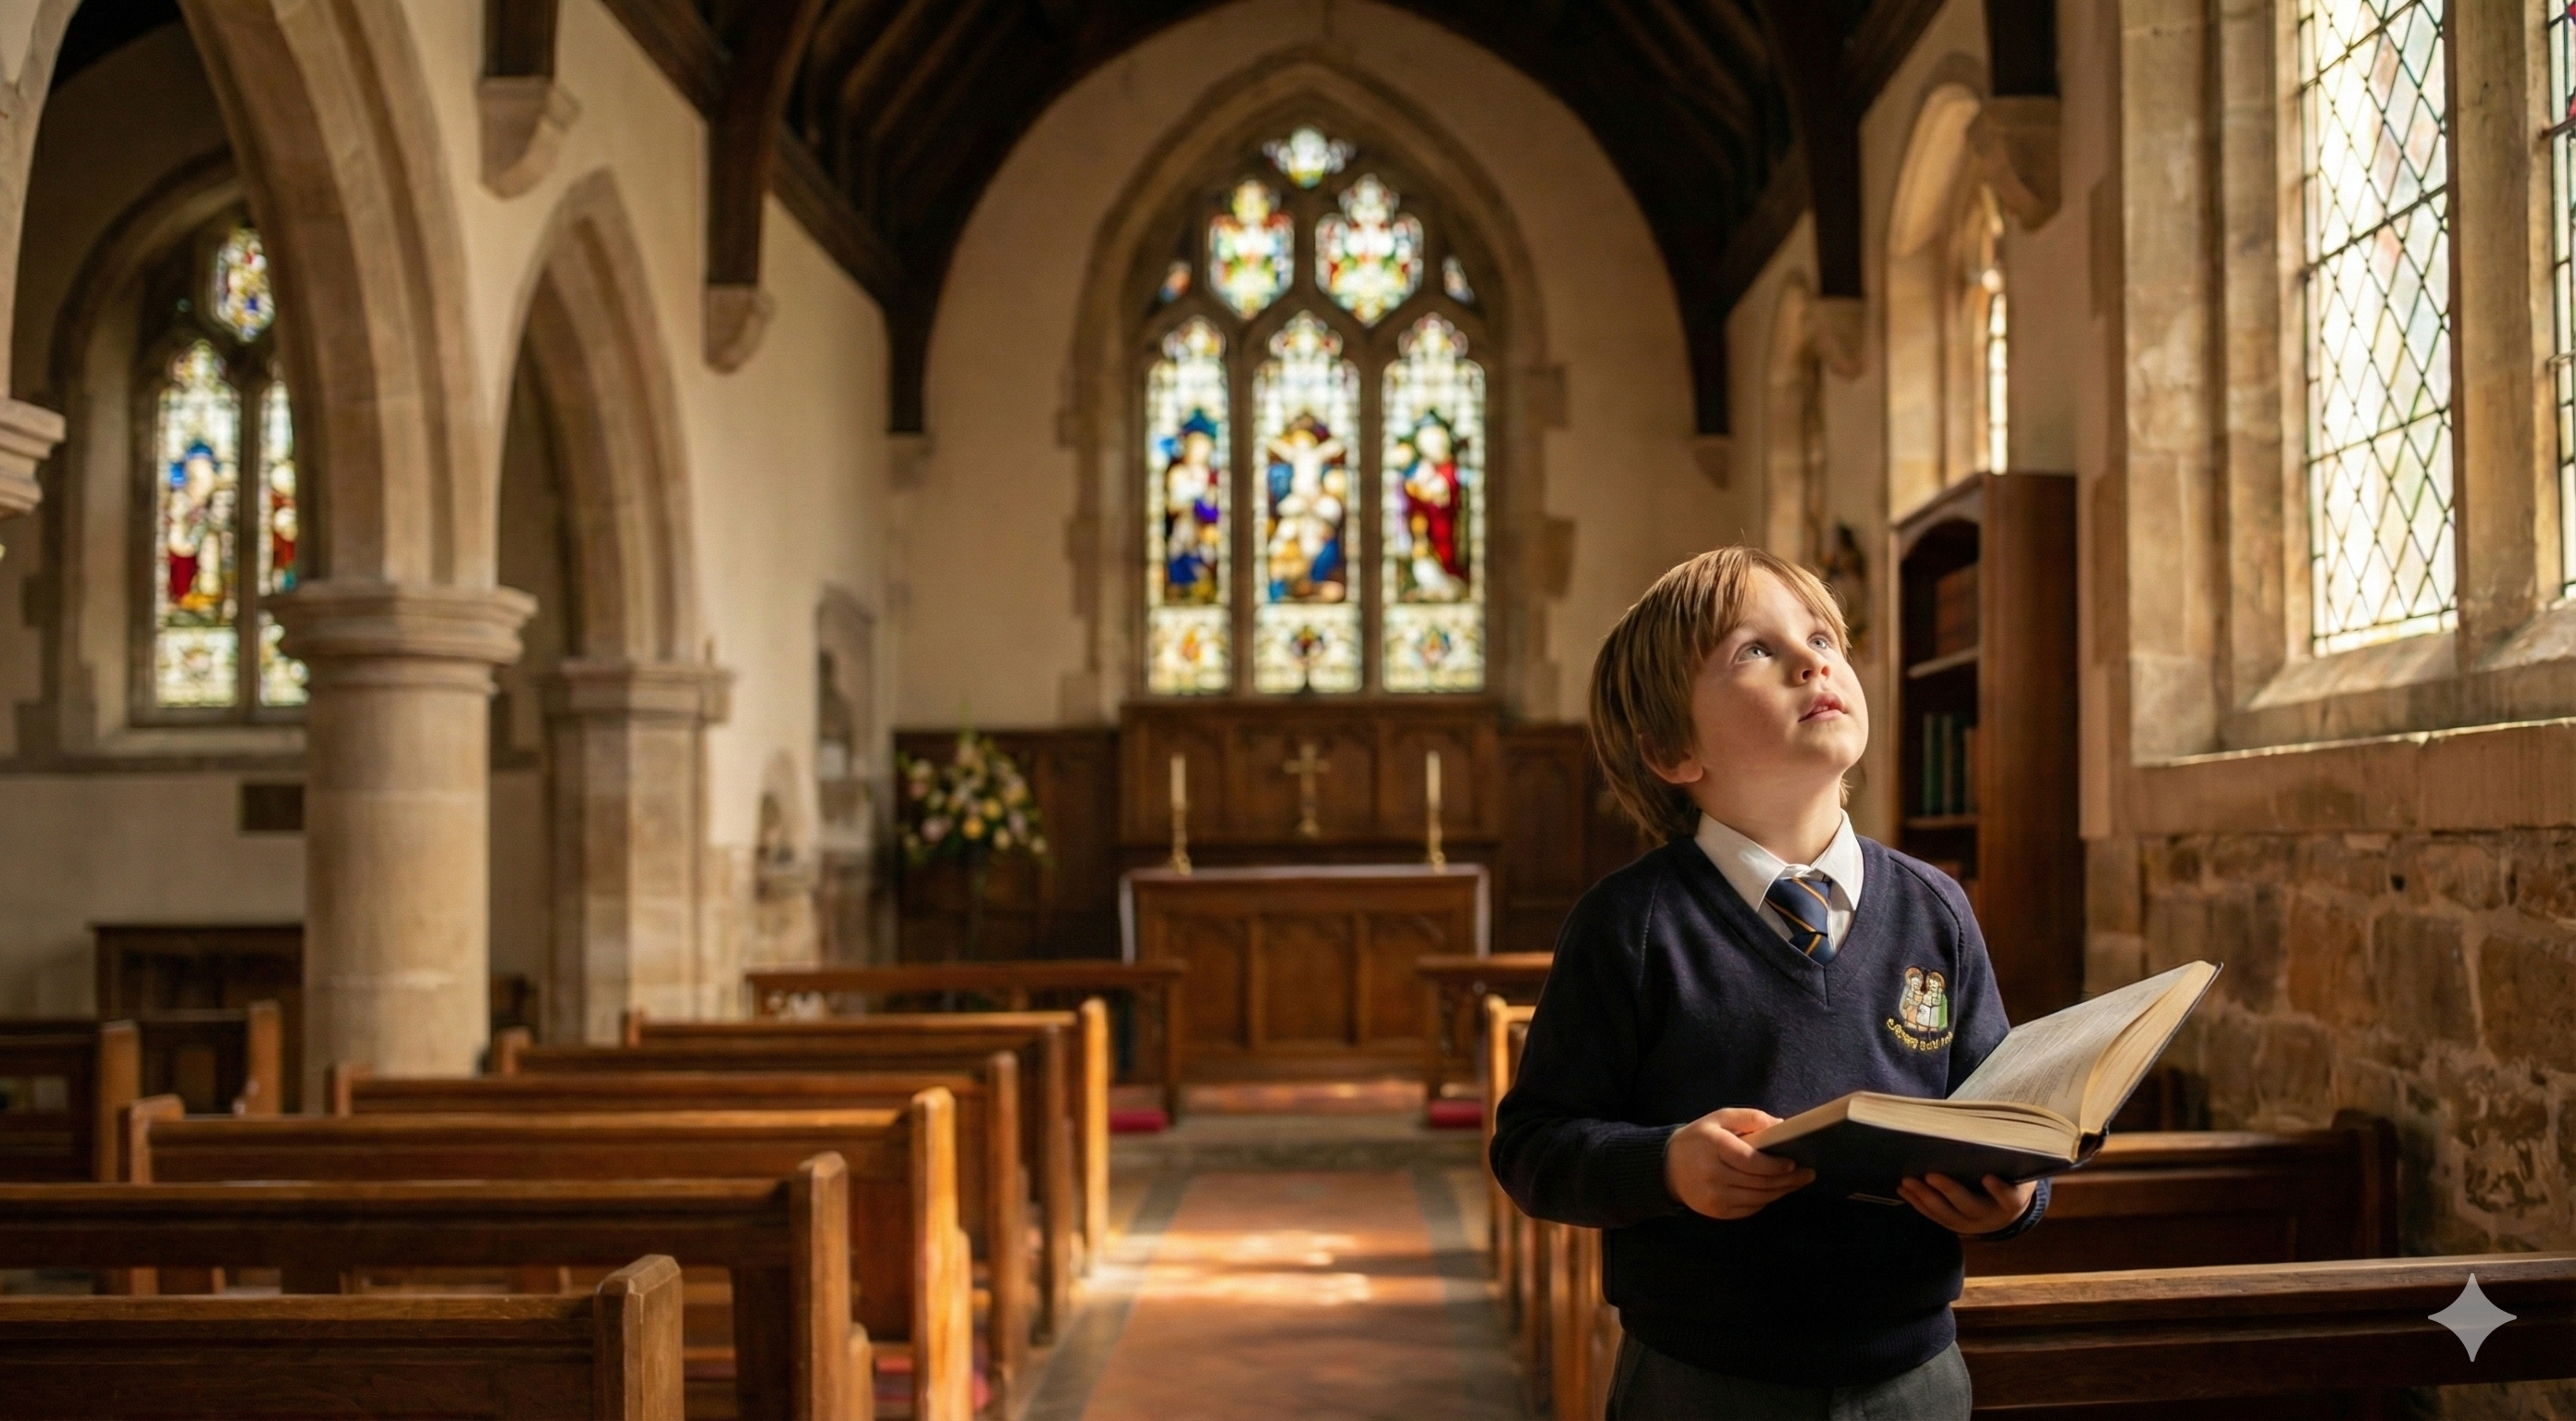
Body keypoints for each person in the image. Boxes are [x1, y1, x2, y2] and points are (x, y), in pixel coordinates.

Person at [1491, 547, 2046, 1420]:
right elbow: (1532, 1147)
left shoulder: (1935, 908)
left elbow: (2007, 1113)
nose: (1811, 659)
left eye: (1823, 637)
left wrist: (2013, 1198)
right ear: (1674, 751)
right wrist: (1666, 1165)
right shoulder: (1629, 925)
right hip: (1703, 1379)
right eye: (1754, 650)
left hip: (1913, 1375)